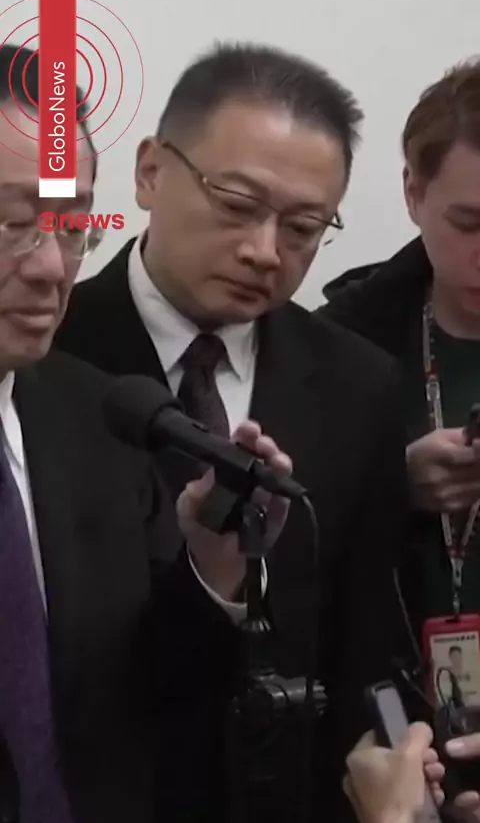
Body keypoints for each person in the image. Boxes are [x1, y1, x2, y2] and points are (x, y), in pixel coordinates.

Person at [54, 42, 411, 818]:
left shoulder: (361, 385)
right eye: (237, 205)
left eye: (303, 227)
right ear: (150, 172)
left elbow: (364, 646)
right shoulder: (49, 356)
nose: (264, 252)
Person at [0, 44, 294, 823]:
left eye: (72, 226)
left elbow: (148, 698)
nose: (51, 267)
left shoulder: (98, 418)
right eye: (14, 223)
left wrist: (210, 567)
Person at [319, 58, 480, 818]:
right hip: (382, 733)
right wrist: (391, 481)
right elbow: (286, 559)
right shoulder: (337, 345)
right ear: (412, 193)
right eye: (468, 224)